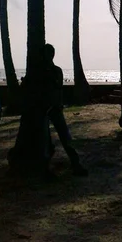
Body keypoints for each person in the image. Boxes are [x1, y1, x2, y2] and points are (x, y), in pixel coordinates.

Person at [44, 44, 88, 176]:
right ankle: (47, 166)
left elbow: (58, 87)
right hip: (46, 108)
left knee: (65, 137)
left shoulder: (55, 70)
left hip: (55, 107)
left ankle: (75, 163)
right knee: (47, 140)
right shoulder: (46, 71)